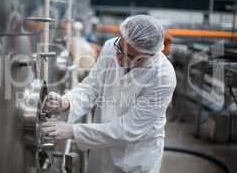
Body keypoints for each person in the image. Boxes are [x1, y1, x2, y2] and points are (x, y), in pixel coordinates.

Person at [41, 15, 177, 173]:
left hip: (134, 158)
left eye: (130, 57)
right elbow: (92, 86)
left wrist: (74, 131)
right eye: (120, 49)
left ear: (149, 55)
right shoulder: (110, 47)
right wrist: (68, 101)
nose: (119, 57)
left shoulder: (163, 77)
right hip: (101, 151)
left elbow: (128, 129)